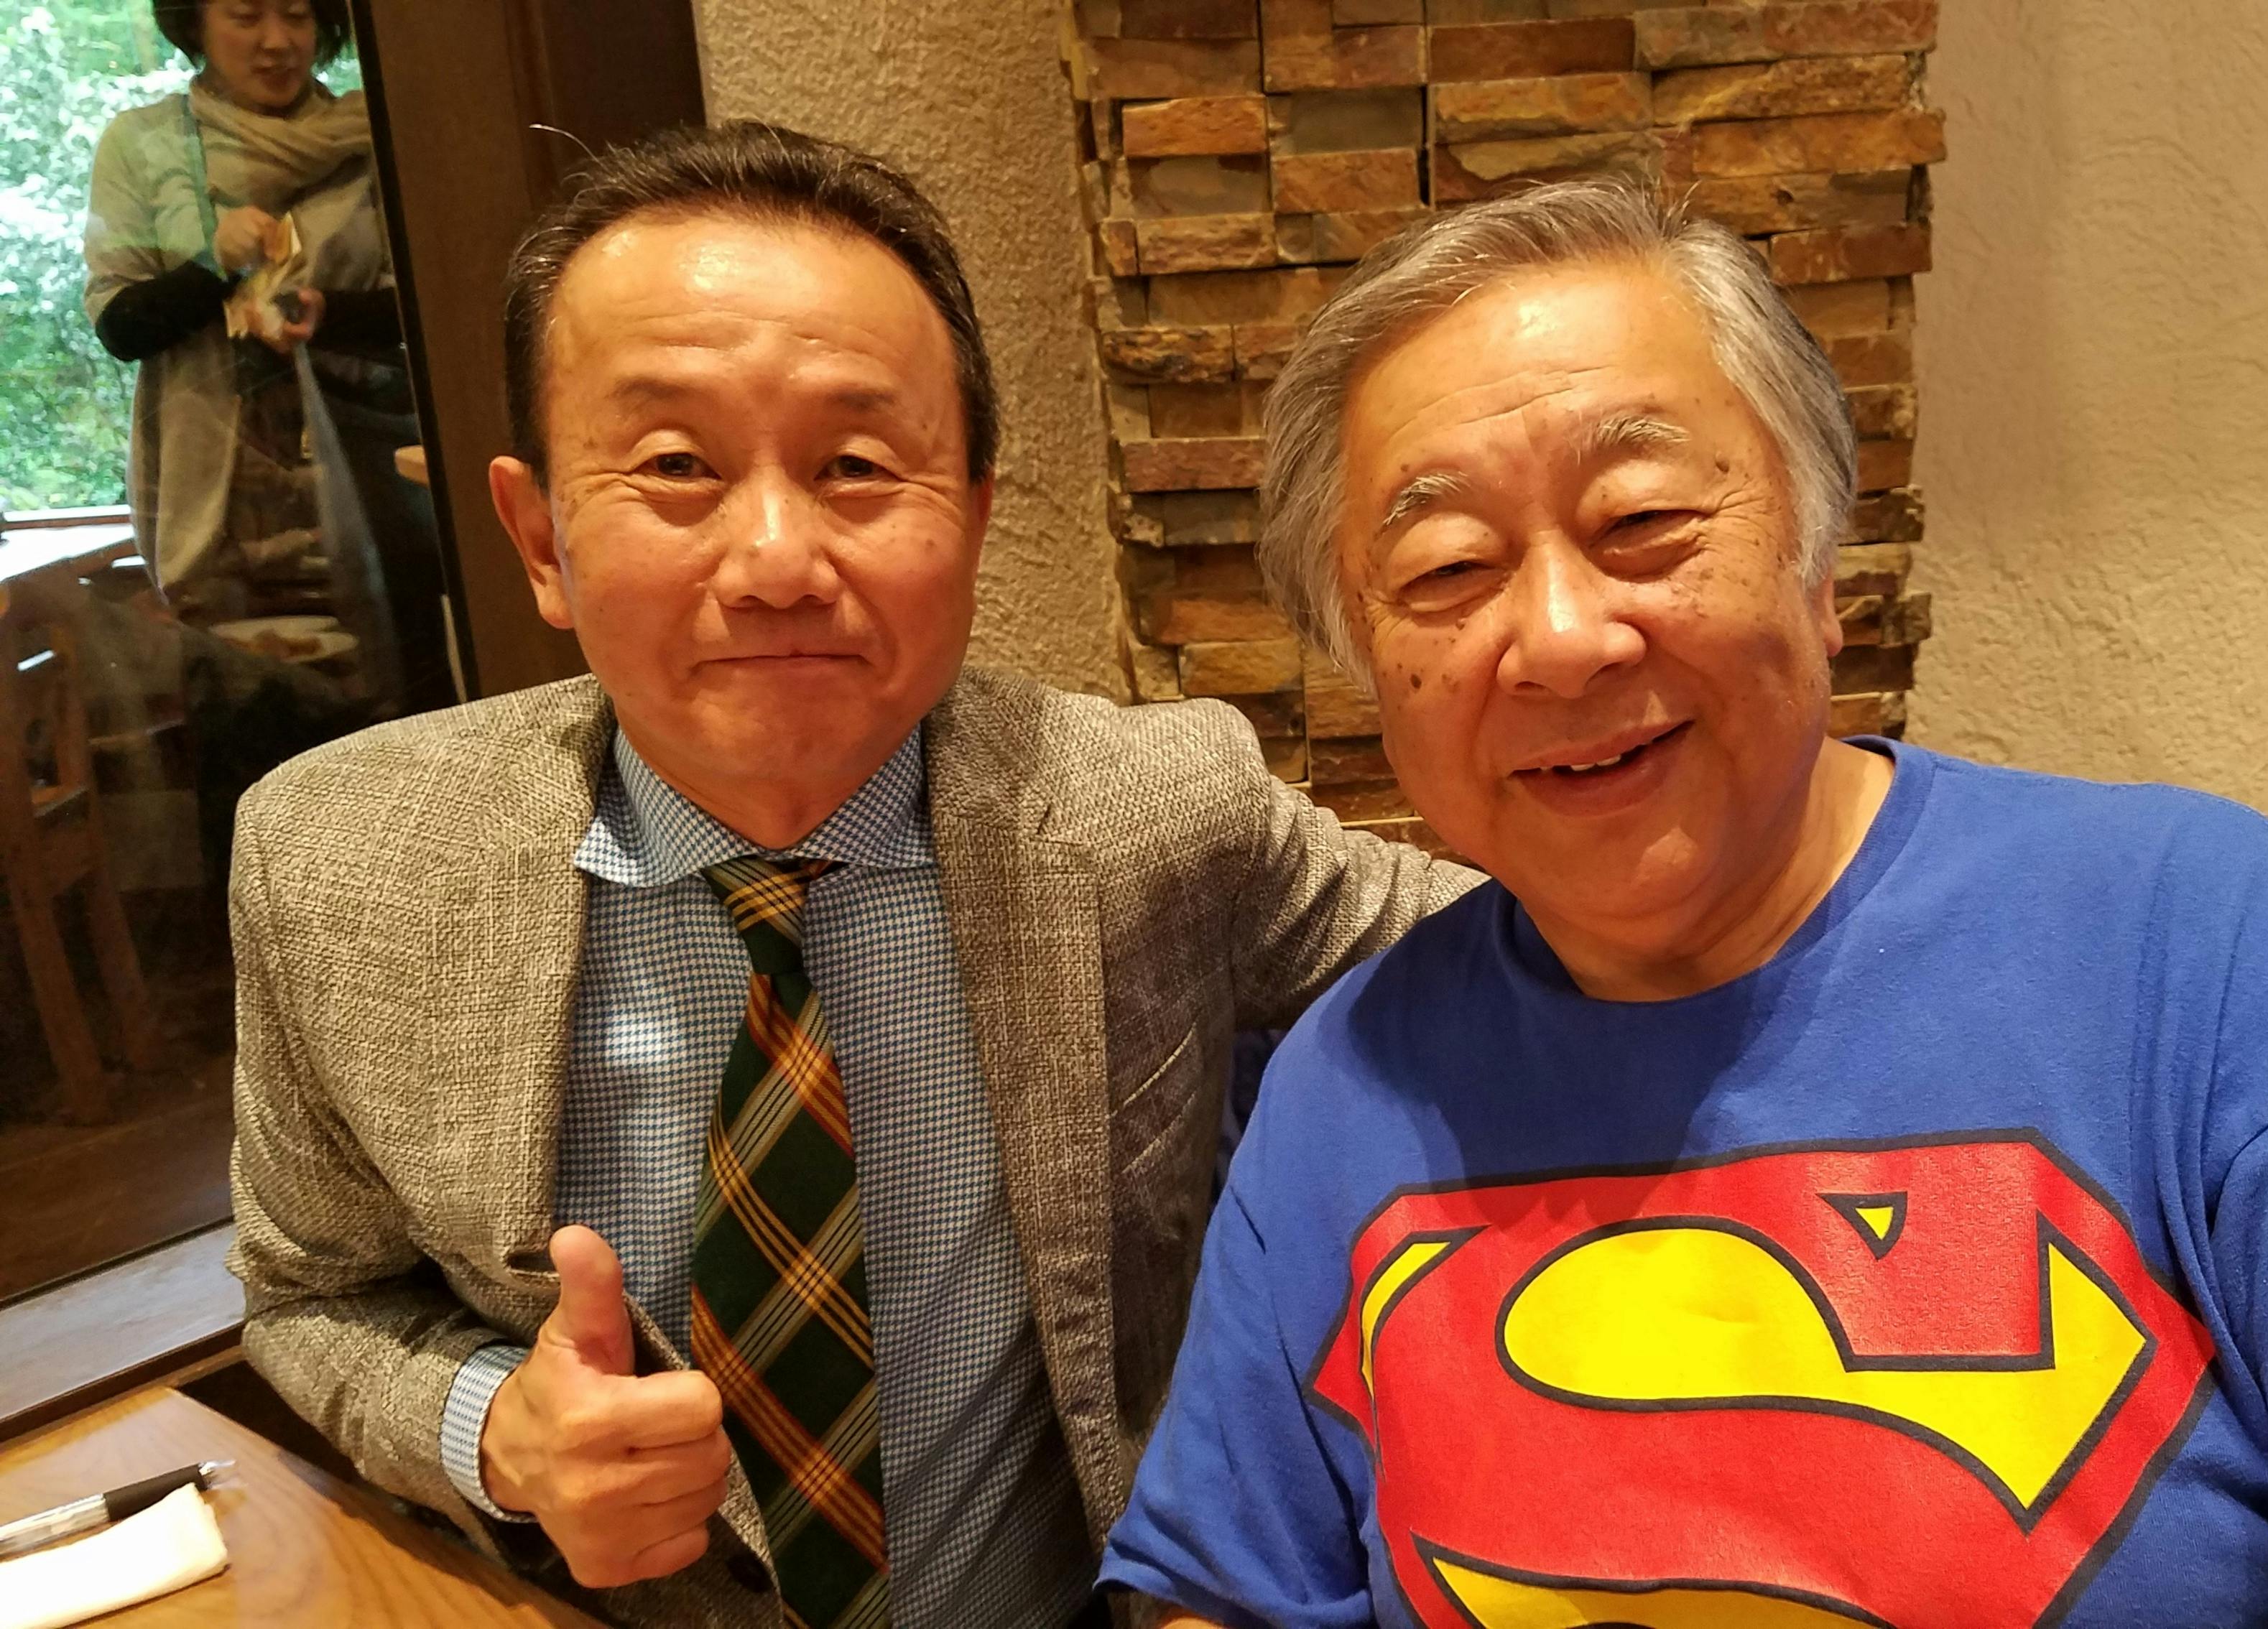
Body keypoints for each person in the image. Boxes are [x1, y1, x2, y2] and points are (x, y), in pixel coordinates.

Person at [1098, 180, 2268, 1628]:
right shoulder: (1352, 1088)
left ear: (1824, 569)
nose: (1564, 637)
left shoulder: (2206, 949)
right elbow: (1224, 1595)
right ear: (1369, 669)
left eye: (1644, 522)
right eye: (1447, 568)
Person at [224, 123, 1473, 1629]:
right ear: (539, 536)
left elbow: (1533, 946)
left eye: (857, 467)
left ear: (974, 518)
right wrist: (493, 1428)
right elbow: (311, 1293)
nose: (774, 561)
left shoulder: (1153, 811)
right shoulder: (338, 863)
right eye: (675, 465)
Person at [83, 0, 411, 627]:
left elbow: (434, 306)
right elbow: (121, 326)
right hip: (215, 502)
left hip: (365, 481)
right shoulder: (143, 144)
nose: (277, 41)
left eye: (297, 15)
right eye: (245, 16)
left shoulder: (373, 132)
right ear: (195, 24)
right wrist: (215, 265)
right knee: (241, 675)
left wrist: (328, 312)